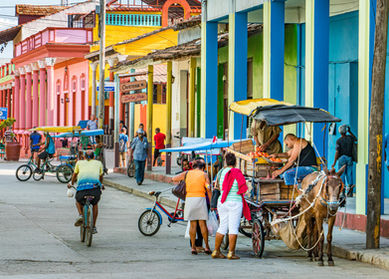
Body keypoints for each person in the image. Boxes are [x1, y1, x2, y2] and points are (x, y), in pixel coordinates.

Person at [212, 153, 251, 260]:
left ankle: (216, 251)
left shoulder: (222, 172)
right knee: (233, 228)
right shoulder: (237, 172)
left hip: (222, 201)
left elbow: (218, 186)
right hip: (235, 202)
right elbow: (243, 187)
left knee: (222, 227)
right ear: (236, 162)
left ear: (225, 161)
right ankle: (231, 253)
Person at [173, 160, 212, 255]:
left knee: (193, 224)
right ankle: (207, 247)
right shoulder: (204, 174)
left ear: (193, 167)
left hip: (190, 199)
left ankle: (193, 247)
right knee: (202, 224)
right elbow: (208, 188)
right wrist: (211, 203)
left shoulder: (187, 173)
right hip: (200, 199)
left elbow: (174, 178)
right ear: (203, 168)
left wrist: (184, 181)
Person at [67, 150, 104, 234]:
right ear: (93, 157)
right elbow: (101, 176)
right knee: (95, 204)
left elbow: (74, 175)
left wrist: (71, 183)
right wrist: (101, 184)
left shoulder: (79, 163)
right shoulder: (99, 163)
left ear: (84, 157)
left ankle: (80, 215)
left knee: (78, 201)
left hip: (82, 190)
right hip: (94, 190)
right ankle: (93, 226)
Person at [331, 125, 357, 197]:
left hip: (342, 158)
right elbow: (355, 139)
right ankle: (350, 192)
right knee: (349, 174)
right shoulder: (350, 138)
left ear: (340, 132)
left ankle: (342, 192)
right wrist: (350, 131)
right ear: (346, 131)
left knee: (341, 174)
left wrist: (334, 162)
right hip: (349, 158)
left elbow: (337, 152)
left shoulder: (338, 140)